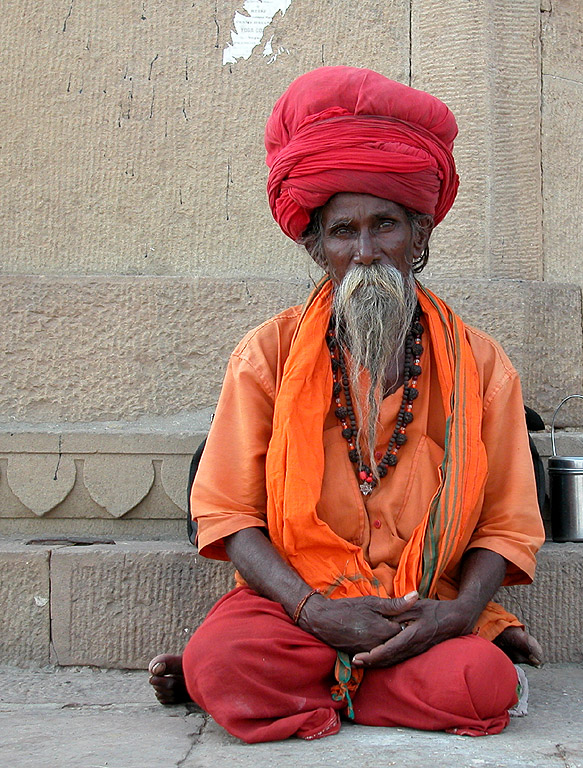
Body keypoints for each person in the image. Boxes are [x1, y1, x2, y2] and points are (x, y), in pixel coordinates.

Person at [148, 66, 546, 743]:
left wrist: (457, 616)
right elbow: (227, 513)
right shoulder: (265, 354)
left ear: (417, 239)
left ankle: (313, 687)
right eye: (343, 232)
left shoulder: (483, 366)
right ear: (317, 247)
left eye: (385, 226)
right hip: (298, 610)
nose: (365, 253)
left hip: (423, 613)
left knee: (484, 685)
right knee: (226, 659)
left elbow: (506, 526)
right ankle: (347, 678)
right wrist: (313, 611)